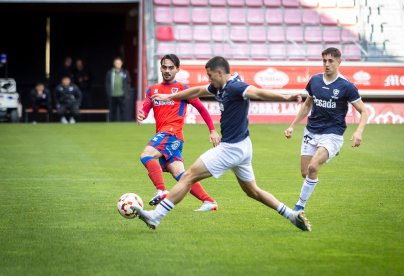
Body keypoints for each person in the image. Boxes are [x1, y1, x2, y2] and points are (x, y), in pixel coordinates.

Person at [132, 56, 311, 231]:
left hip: (231, 148)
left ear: (219, 72)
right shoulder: (220, 86)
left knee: (188, 177)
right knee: (253, 191)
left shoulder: (235, 87)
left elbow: (257, 92)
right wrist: (167, 97)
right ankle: (291, 215)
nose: (208, 80)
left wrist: (285, 97)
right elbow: (196, 91)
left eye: (210, 75)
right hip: (243, 147)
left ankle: (156, 216)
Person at [283, 47, 368, 211]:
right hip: (311, 131)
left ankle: (299, 207)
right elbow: (307, 104)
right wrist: (292, 126)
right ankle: (330, 151)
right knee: (305, 172)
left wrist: (358, 132)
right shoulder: (315, 80)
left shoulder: (347, 86)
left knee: (313, 167)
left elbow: (364, 111)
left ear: (339, 62)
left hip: (332, 133)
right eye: (324, 61)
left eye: (331, 61)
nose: (326, 64)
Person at [137, 54, 220, 211]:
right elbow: (146, 109)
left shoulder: (183, 90)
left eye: (171, 68)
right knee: (180, 175)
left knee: (146, 156)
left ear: (177, 69)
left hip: (171, 133)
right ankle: (209, 201)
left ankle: (161, 191)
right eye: (164, 67)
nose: (167, 71)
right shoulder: (152, 90)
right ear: (160, 68)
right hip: (169, 136)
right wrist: (142, 114)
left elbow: (201, 109)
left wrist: (212, 130)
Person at [105, 57, 131, 121]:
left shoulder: (125, 72)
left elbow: (128, 83)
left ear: (122, 64)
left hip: (122, 94)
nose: (118, 64)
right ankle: (112, 124)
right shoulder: (110, 72)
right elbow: (107, 83)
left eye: (119, 63)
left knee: (123, 111)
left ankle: (124, 124)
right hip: (112, 95)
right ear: (114, 64)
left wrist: (126, 94)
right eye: (116, 63)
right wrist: (108, 93)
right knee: (112, 111)